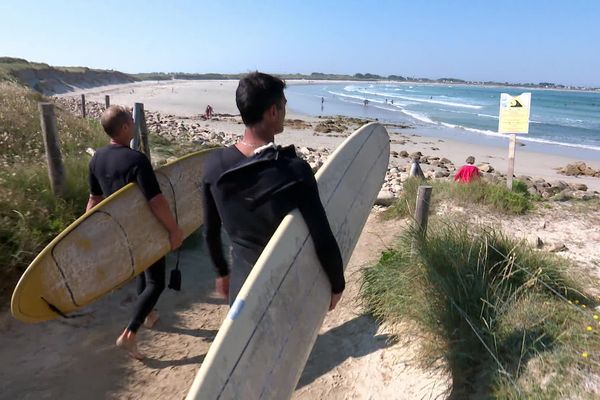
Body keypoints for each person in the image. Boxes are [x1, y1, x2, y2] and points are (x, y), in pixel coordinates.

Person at [202, 72, 345, 310]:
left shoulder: (213, 165)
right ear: (272, 112)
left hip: (242, 287)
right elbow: (322, 238)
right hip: (286, 286)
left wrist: (221, 272)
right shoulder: (293, 170)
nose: (286, 111)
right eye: (284, 105)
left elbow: (210, 232)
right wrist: (337, 284)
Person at [86, 105, 183, 360]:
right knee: (156, 282)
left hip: (121, 232)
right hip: (144, 230)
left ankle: (149, 314)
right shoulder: (136, 160)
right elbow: (156, 201)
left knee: (142, 270)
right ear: (126, 127)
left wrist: (88, 233)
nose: (133, 121)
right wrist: (173, 229)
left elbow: (94, 200)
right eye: (131, 119)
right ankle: (130, 334)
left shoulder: (96, 158)